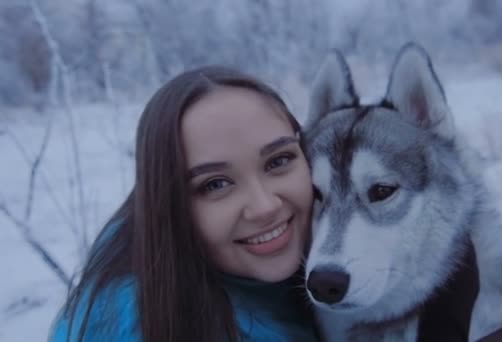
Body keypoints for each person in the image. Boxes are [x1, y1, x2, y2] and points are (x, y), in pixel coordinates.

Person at [49, 66, 319, 342]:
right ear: (168, 205)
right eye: (215, 184)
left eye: (279, 161)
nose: (265, 206)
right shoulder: (136, 326)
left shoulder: (329, 259)